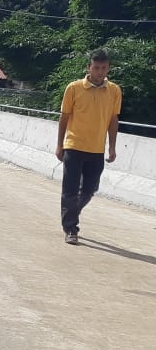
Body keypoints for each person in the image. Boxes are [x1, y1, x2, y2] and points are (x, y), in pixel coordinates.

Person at [55, 49, 121, 245]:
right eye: (96, 67)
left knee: (90, 189)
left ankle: (73, 210)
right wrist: (60, 145)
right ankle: (70, 228)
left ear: (108, 68)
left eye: (104, 68)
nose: (100, 72)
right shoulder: (74, 88)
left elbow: (113, 119)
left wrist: (112, 147)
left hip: (97, 149)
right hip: (74, 146)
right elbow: (64, 117)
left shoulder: (114, 91)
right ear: (89, 67)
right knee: (70, 189)